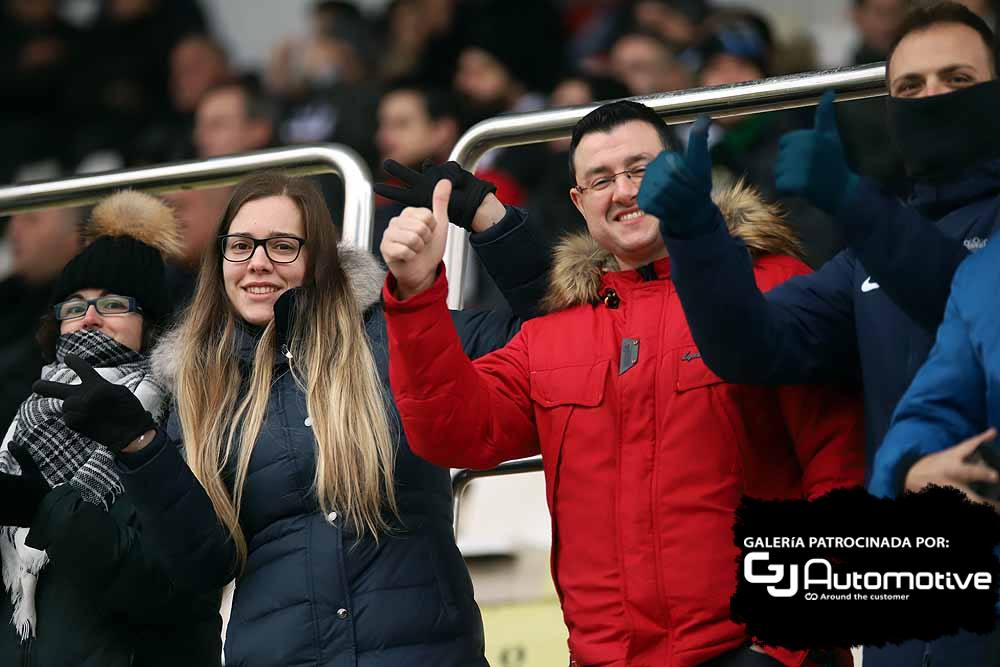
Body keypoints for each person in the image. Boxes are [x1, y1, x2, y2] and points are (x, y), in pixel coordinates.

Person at [380, 100, 864, 666]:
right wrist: (416, 296)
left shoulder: (771, 284)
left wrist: (785, 645)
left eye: (641, 169)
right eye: (601, 180)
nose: (624, 191)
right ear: (580, 203)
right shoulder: (555, 330)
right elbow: (452, 433)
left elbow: (839, 461)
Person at [35, 170, 551, 666]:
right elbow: (202, 565)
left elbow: (554, 334)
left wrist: (489, 218)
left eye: (282, 246)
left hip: (425, 649)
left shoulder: (398, 334)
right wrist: (140, 447)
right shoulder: (198, 384)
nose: (258, 263)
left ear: (320, 260)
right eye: (240, 247)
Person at [639, 3, 1000, 663]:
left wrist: (850, 201)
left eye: (958, 79)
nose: (933, 99)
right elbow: (753, 347)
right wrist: (695, 236)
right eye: (910, 88)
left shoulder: (875, 226)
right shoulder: (868, 253)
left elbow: (978, 309)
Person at [0, 190, 221, 666]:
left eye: (114, 304)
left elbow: (172, 587)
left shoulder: (183, 414)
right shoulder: (20, 421)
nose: (90, 318)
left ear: (154, 323)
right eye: (73, 307)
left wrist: (54, 512)